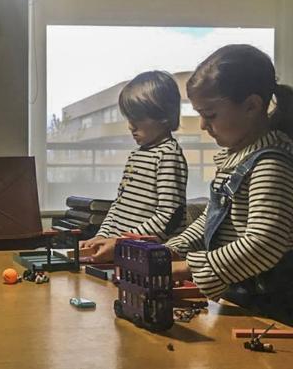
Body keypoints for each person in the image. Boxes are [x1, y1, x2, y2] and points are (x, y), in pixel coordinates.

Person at [164, 44, 293, 324]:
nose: (201, 125)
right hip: (242, 298)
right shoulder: (236, 159)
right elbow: (213, 220)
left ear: (251, 106)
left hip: (271, 310)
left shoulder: (271, 164)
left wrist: (188, 267)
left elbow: (265, 242)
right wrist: (171, 250)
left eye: (210, 115)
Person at [79, 71, 188, 261]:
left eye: (137, 119)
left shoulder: (168, 154)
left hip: (150, 256)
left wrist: (121, 242)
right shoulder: (136, 155)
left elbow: (169, 217)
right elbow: (119, 205)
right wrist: (102, 236)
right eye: (129, 118)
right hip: (125, 250)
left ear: (162, 116)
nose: (130, 126)